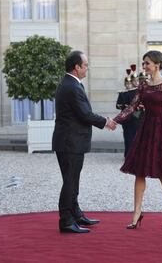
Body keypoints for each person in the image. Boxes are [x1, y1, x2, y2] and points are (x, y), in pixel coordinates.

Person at [113, 50, 162, 230]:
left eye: (147, 63)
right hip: (146, 129)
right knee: (140, 172)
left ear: (157, 64)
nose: (144, 66)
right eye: (144, 63)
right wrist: (115, 120)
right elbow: (132, 106)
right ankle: (136, 213)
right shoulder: (143, 84)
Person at [52, 50, 116, 233]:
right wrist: (106, 122)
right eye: (85, 65)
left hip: (70, 142)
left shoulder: (72, 84)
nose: (87, 68)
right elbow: (85, 114)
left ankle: (76, 214)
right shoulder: (71, 86)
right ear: (76, 67)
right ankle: (66, 221)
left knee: (73, 180)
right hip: (69, 142)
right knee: (70, 182)